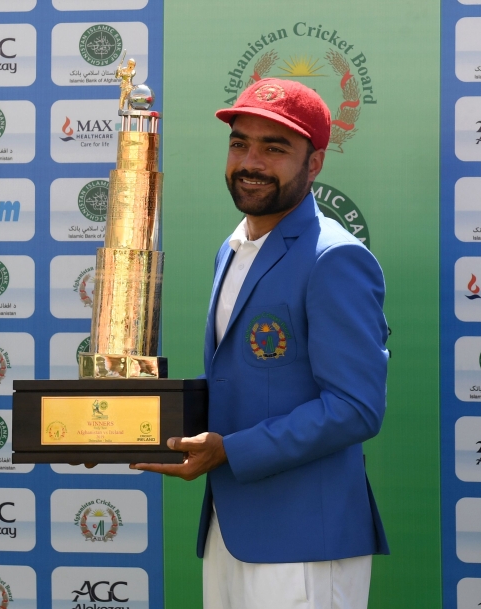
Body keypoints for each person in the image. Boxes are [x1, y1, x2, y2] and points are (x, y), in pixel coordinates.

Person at [134, 78, 390, 609]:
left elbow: (355, 408)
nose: (250, 161)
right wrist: (131, 425)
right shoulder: (232, 247)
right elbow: (245, 382)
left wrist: (231, 450)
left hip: (303, 541)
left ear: (314, 163)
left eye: (275, 148)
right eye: (239, 143)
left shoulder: (333, 258)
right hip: (231, 532)